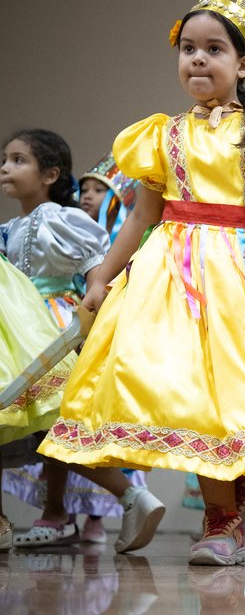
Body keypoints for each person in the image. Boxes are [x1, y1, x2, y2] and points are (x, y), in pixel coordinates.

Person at [38, 0, 245, 565]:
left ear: (244, 63)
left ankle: (235, 506)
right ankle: (222, 519)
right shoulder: (161, 136)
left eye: (214, 49)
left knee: (239, 397)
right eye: (188, 49)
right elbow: (139, 218)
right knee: (184, 394)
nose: (198, 60)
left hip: (241, 272)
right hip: (171, 278)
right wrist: (104, 274)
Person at [0, 129, 154, 549]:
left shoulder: (60, 218)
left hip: (51, 328)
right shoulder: (11, 228)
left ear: (50, 174)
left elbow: (94, 273)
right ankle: (109, 502)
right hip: (17, 332)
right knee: (26, 426)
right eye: (5, 159)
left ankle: (123, 497)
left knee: (49, 427)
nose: (6, 168)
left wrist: (91, 322)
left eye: (18, 160)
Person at [0, 255, 79, 551]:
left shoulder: (62, 221)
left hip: (29, 315)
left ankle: (127, 496)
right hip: (21, 309)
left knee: (49, 419)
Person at [78, 153, 139, 242]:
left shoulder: (131, 236)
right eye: (84, 190)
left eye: (98, 190)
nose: (87, 196)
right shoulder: (74, 232)